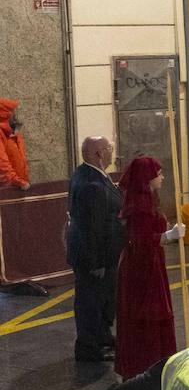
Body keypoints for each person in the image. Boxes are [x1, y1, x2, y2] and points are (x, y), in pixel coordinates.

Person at [115, 156, 184, 380]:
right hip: (142, 270)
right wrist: (168, 236)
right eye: (159, 173)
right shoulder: (140, 206)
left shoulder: (147, 200)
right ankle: (146, 362)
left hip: (150, 264)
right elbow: (140, 241)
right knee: (147, 314)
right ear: (148, 177)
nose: (162, 177)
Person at [68, 137, 124, 362]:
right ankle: (89, 346)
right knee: (91, 299)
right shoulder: (92, 184)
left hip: (99, 254)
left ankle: (102, 335)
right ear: (99, 153)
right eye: (109, 149)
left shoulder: (88, 174)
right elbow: (92, 228)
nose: (112, 152)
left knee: (102, 297)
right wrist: (96, 263)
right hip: (94, 256)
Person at [0, 98, 30, 189]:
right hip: (7, 189)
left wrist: (23, 181)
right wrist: (19, 182)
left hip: (18, 185)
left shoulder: (14, 134)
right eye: (12, 112)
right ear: (5, 114)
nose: (15, 116)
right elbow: (2, 164)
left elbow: (21, 161)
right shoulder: (3, 134)